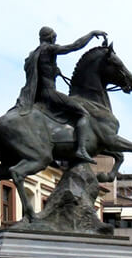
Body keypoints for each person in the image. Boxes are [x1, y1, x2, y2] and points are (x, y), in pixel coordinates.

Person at [16, 26, 109, 163]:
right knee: (83, 113)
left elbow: (39, 72)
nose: (55, 40)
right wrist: (91, 34)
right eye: (54, 37)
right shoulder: (48, 49)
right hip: (50, 93)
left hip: (39, 95)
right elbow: (74, 46)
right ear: (50, 37)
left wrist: (53, 71)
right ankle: (81, 149)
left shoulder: (33, 54)